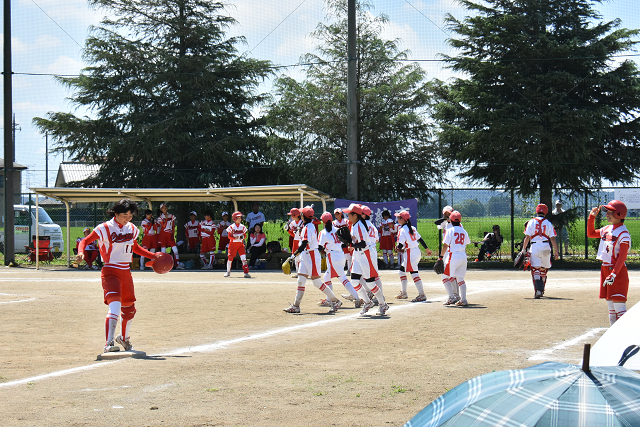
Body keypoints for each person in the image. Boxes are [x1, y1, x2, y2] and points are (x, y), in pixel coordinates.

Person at [76, 199, 161, 353]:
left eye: (130, 215)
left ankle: (124, 338)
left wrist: (152, 255)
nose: (127, 218)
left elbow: (135, 247)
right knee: (114, 307)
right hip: (110, 271)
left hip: (126, 272)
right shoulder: (105, 228)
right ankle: (108, 343)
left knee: (129, 309)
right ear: (116, 214)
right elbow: (85, 240)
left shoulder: (132, 228)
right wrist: (81, 252)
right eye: (124, 215)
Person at [283, 207, 342, 313]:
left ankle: (335, 301)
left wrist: (293, 255)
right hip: (306, 256)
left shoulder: (308, 227)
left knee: (317, 282)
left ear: (303, 216)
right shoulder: (306, 226)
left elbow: (305, 243)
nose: (300, 215)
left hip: (311, 256)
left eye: (302, 214)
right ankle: (296, 306)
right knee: (301, 280)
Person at [587, 200, 631, 325]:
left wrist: (614, 274)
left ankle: (625, 337)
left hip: (617, 271)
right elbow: (590, 234)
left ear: (619, 214)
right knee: (611, 307)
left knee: (619, 308)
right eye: (607, 211)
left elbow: (622, 257)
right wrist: (592, 217)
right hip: (606, 269)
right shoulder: (607, 229)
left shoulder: (623, 233)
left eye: (610, 212)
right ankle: (614, 338)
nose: (607, 214)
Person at [342, 203, 389, 315]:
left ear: (355, 215)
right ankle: (367, 302)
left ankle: (383, 304)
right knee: (354, 281)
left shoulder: (359, 226)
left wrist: (352, 246)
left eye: (349, 214)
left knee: (370, 283)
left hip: (366, 254)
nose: (347, 216)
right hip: (358, 255)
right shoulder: (355, 225)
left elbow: (363, 244)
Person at [317, 212, 361, 307]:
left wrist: (324, 249)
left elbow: (320, 247)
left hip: (332, 256)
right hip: (341, 255)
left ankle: (358, 297)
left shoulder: (323, 233)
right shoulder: (337, 230)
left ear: (323, 222)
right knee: (326, 277)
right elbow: (344, 244)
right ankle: (329, 299)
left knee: (342, 278)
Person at [521, 204, 560, 299]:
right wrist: (556, 251)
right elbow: (553, 239)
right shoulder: (548, 223)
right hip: (546, 246)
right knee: (544, 269)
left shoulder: (531, 222)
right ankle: (542, 288)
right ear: (545, 212)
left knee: (536, 270)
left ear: (537, 211)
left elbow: (527, 237)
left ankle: (538, 290)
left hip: (534, 246)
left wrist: (523, 249)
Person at [394, 210, 432, 302]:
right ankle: (403, 292)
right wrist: (427, 249)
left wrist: (397, 247)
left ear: (403, 219)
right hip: (415, 251)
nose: (397, 219)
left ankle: (422, 294)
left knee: (414, 273)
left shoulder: (402, 230)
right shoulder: (412, 228)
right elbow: (420, 239)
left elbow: (400, 244)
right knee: (402, 271)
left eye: (399, 217)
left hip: (410, 253)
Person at [440, 211, 471, 306]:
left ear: (451, 221)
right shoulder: (464, 231)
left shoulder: (450, 230)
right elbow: (467, 242)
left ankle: (451, 297)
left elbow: (445, 246)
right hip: (463, 255)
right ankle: (464, 299)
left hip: (453, 256)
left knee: (445, 277)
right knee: (460, 278)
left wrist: (440, 257)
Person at [435, 205, 460, 302]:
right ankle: (455, 295)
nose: (446, 215)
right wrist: (445, 219)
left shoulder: (456, 225)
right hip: (447, 251)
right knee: (451, 274)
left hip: (451, 251)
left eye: (448, 213)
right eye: (445, 213)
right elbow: (436, 223)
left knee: (449, 274)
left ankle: (454, 295)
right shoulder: (445, 223)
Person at [224, 211, 251, 278]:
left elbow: (245, 236)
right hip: (232, 245)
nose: (240, 219)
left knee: (243, 258)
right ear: (234, 219)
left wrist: (242, 237)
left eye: (240, 218)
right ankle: (228, 272)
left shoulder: (242, 227)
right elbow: (229, 236)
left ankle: (246, 272)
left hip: (240, 244)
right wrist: (234, 237)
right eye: (238, 218)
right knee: (230, 258)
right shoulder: (231, 227)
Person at [158, 203, 182, 269]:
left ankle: (177, 264)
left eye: (165, 208)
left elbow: (173, 226)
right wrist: (165, 219)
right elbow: (163, 226)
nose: (165, 209)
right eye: (163, 208)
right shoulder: (160, 217)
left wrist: (173, 234)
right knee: (163, 251)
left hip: (170, 234)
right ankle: (163, 265)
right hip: (163, 235)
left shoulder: (171, 216)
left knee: (175, 250)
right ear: (161, 209)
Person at [285, 208, 304, 277]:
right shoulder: (292, 223)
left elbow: (304, 233)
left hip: (302, 241)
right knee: (296, 257)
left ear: (295, 215)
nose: (290, 217)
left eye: (292, 215)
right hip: (295, 241)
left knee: (303, 257)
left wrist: (300, 231)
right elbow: (293, 235)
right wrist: (288, 230)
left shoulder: (302, 223)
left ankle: (304, 272)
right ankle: (298, 272)